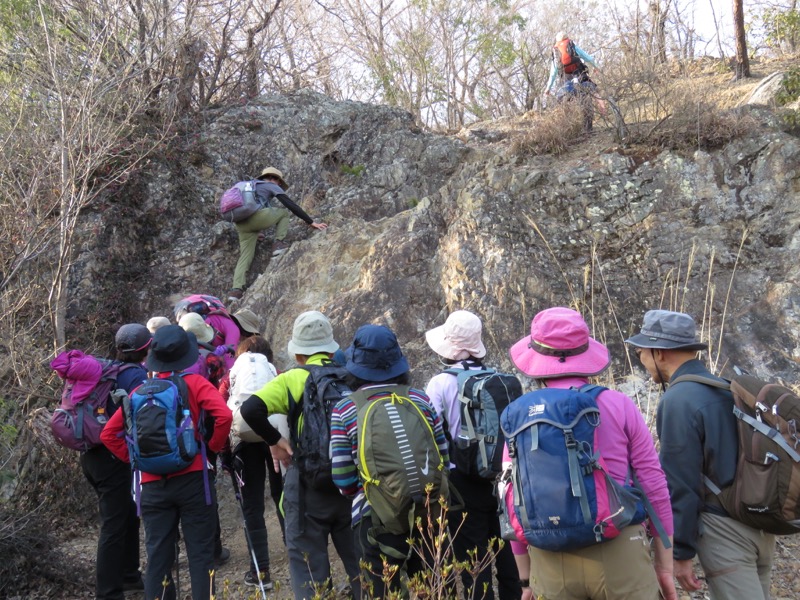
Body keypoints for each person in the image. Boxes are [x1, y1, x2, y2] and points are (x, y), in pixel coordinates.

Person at [508, 307, 676, 600]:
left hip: (550, 556)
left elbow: (511, 494)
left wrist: (526, 578)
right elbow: (653, 484)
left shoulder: (521, 415)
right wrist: (665, 565)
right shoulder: (618, 404)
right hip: (620, 547)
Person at [626, 309, 776, 599]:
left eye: (641, 353)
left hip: (725, 533)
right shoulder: (722, 388)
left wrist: (680, 552)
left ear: (659, 352)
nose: (642, 361)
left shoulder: (679, 399)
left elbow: (681, 482)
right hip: (758, 524)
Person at [101, 325, 232, 600]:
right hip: (194, 479)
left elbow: (108, 434)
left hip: (153, 487)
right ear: (185, 356)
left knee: (158, 558)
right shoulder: (194, 384)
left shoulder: (138, 392)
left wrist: (137, 461)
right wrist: (210, 450)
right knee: (200, 555)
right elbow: (224, 416)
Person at [240, 310, 360, 599]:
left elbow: (249, 411)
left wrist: (277, 440)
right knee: (361, 563)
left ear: (298, 354)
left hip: (308, 483)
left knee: (309, 569)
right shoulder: (352, 378)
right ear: (331, 348)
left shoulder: (292, 379)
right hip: (351, 484)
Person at [330, 323, 451, 598]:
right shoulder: (420, 398)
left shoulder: (345, 408)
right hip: (429, 512)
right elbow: (444, 458)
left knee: (382, 591)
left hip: (374, 519)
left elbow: (344, 478)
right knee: (434, 589)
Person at [424, 310, 522, 599]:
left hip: (462, 478)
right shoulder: (499, 379)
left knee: (473, 560)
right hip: (504, 476)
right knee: (507, 551)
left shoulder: (440, 383)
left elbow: (431, 431)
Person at [79, 324, 148, 599]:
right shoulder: (134, 376)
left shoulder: (105, 371)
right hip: (112, 455)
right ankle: (107, 592)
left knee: (127, 515)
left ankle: (130, 576)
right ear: (147, 349)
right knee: (113, 524)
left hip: (91, 455)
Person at [223, 334, 280, 589]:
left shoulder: (231, 375)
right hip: (274, 436)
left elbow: (221, 410)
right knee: (283, 496)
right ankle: (301, 553)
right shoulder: (274, 372)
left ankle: (261, 572)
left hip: (244, 440)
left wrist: (225, 453)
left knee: (253, 506)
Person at [228, 167, 328, 302]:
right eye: (279, 182)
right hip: (254, 220)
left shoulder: (251, 187)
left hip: (241, 224)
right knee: (283, 213)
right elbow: (289, 204)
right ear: (273, 178)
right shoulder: (269, 185)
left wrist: (256, 232)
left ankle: (236, 291)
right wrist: (310, 222)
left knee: (245, 257)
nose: (280, 184)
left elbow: (252, 210)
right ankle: (278, 244)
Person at [545, 32, 602, 132]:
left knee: (562, 104)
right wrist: (596, 68)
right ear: (567, 38)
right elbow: (589, 58)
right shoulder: (572, 47)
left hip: (566, 81)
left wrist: (548, 88)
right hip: (580, 77)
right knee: (594, 91)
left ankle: (567, 130)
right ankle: (598, 115)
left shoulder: (556, 52)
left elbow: (553, 73)